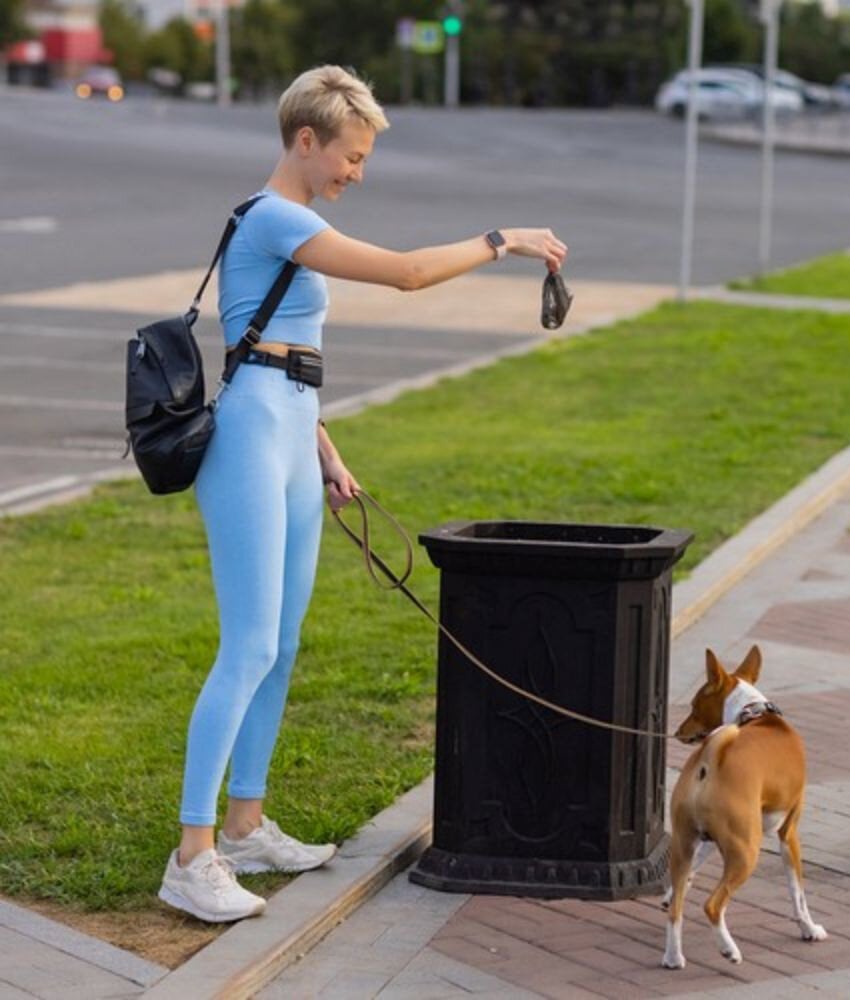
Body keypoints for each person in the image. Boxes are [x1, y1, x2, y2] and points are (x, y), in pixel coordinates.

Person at [158, 65, 568, 923]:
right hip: (247, 450)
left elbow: (276, 354)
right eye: (350, 155)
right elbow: (411, 273)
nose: (357, 171)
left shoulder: (296, 220)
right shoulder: (274, 216)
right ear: (306, 142)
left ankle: (244, 827)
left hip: (290, 438)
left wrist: (327, 451)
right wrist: (501, 239)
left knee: (282, 643)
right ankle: (190, 856)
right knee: (247, 648)